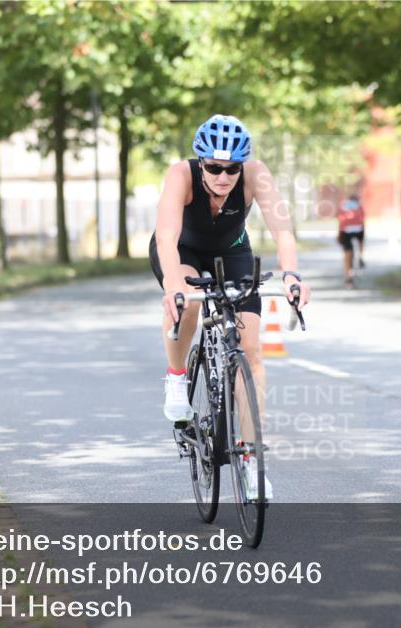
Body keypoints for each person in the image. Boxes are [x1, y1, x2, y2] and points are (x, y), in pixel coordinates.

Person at [149, 114, 311, 498]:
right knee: (188, 304)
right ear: (201, 162)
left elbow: (283, 231)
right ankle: (176, 377)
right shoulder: (181, 175)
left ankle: (251, 461)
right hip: (182, 251)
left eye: (232, 169)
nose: (223, 177)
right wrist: (173, 286)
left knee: (251, 352)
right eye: (214, 168)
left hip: (232, 252)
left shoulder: (257, 175)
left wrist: (291, 275)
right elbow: (167, 237)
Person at [337, 193, 365, 288]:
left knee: (347, 256)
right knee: (361, 241)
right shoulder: (359, 206)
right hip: (358, 229)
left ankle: (348, 277)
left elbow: (341, 220)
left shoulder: (343, 205)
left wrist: (339, 234)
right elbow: (362, 220)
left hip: (346, 231)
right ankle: (360, 256)